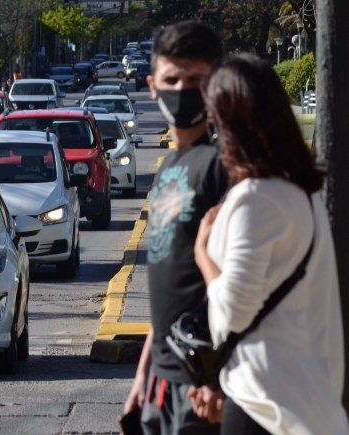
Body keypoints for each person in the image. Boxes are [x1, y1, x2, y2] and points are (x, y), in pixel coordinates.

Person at [191, 54, 348, 434]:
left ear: (229, 123)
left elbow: (235, 310)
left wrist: (202, 254)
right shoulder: (303, 194)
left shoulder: (255, 199)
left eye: (214, 119)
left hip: (265, 408)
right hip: (308, 401)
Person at [123, 21, 227, 434]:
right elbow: (169, 291)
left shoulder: (220, 166)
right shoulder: (167, 167)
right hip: (161, 383)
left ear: (215, 85)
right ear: (152, 85)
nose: (182, 89)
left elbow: (237, 282)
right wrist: (141, 378)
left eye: (196, 79)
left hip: (201, 386)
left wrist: (217, 378)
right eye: (172, 79)